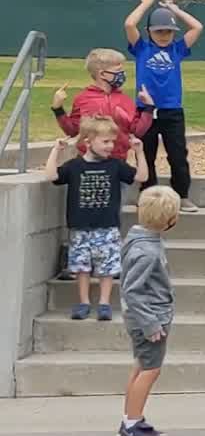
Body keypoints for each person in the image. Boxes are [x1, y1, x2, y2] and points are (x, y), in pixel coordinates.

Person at [48, 119, 145, 320]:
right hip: (80, 228)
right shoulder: (75, 166)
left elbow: (142, 177)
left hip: (107, 227)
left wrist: (139, 152)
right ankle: (83, 302)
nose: (111, 146)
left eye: (112, 141)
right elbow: (52, 175)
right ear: (88, 141)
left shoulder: (115, 165)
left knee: (107, 268)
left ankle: (104, 302)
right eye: (106, 141)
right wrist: (56, 150)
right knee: (81, 267)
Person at [124, 0, 203, 210]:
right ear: (149, 31)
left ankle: (182, 195)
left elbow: (197, 27)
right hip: (145, 109)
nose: (164, 35)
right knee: (146, 153)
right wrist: (146, 4)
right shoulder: (142, 48)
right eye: (159, 31)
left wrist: (175, 10)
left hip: (172, 111)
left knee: (178, 154)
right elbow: (130, 23)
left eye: (168, 31)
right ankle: (147, 193)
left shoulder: (177, 49)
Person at [117, 187, 179, 436]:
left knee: (141, 366)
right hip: (150, 318)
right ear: (169, 221)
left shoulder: (138, 239)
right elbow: (133, 290)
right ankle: (131, 427)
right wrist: (151, 323)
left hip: (142, 316)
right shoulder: (147, 252)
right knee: (150, 370)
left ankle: (131, 418)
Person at [50, 47, 154, 167]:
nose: (122, 74)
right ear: (102, 74)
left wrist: (148, 108)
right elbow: (72, 130)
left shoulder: (125, 100)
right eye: (118, 70)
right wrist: (58, 109)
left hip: (118, 162)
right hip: (87, 161)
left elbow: (138, 130)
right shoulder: (83, 99)